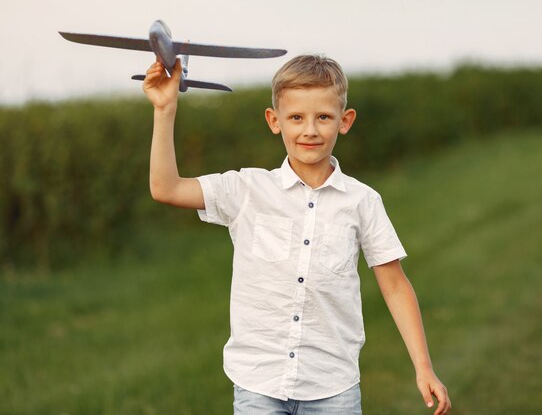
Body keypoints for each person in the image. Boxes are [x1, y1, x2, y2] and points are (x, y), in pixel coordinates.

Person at [143, 54, 451, 415]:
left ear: (345, 121)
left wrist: (423, 366)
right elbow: (166, 188)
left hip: (332, 385)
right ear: (274, 121)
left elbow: (395, 286)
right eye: (296, 118)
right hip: (258, 382)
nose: (310, 130)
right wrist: (164, 110)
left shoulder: (363, 202)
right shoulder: (246, 189)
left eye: (323, 117)